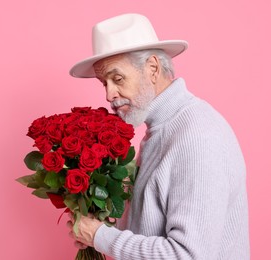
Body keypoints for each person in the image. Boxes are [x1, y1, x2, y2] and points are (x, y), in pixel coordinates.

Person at [66, 13, 250, 259]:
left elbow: (188, 255)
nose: (109, 95)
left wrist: (101, 237)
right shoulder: (162, 129)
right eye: (104, 83)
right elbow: (152, 229)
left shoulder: (196, 137)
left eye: (117, 78)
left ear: (152, 68)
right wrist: (98, 230)